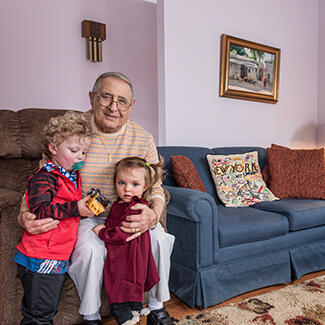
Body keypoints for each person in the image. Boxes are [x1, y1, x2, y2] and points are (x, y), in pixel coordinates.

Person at [17, 72, 175, 325]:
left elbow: (156, 187)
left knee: (160, 238)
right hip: (85, 217)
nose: (114, 107)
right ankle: (91, 316)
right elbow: (44, 176)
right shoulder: (74, 131)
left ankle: (157, 308)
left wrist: (152, 214)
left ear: (131, 105)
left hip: (130, 214)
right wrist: (25, 213)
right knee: (90, 250)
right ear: (92, 97)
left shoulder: (143, 138)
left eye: (122, 101)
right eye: (106, 97)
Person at [14, 111, 93, 325]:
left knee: (45, 309)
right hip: (42, 256)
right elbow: (40, 209)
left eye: (84, 152)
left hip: (55, 254)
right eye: (74, 150)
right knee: (39, 316)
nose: (80, 157)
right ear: (53, 148)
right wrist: (76, 208)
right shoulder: (45, 176)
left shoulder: (68, 175)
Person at [93, 156, 164, 325]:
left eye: (135, 184)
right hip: (131, 252)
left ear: (145, 186)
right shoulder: (120, 204)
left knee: (120, 281)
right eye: (121, 183)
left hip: (125, 253)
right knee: (132, 280)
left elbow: (122, 233)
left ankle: (123, 314)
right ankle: (135, 308)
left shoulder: (136, 207)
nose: (127, 190)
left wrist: (103, 232)